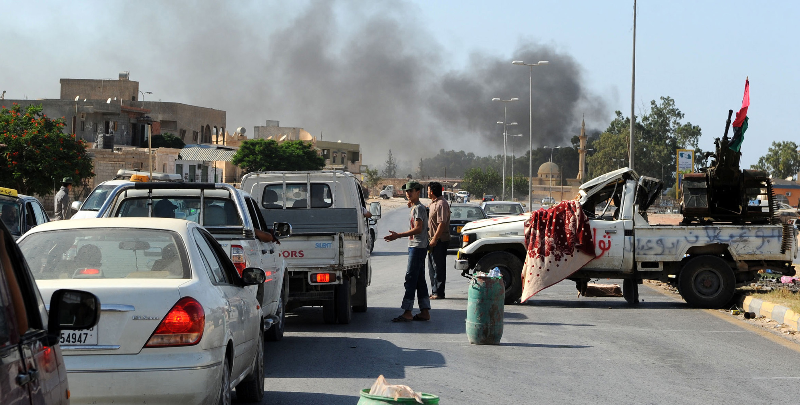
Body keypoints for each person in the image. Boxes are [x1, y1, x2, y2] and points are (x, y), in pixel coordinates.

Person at [384, 180, 430, 322]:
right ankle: (424, 311)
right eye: (407, 191)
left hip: (417, 246)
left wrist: (398, 236)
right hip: (417, 246)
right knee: (419, 279)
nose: (408, 193)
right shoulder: (415, 207)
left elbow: (418, 229)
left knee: (410, 278)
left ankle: (408, 312)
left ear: (418, 192)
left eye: (411, 191)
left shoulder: (418, 208)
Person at [426, 182, 450, 300]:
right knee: (432, 267)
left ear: (432, 191)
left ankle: (439, 292)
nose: (427, 192)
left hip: (439, 240)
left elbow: (442, 223)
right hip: (431, 240)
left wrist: (435, 238)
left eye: (428, 190)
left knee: (438, 266)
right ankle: (434, 290)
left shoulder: (441, 204)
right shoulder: (433, 204)